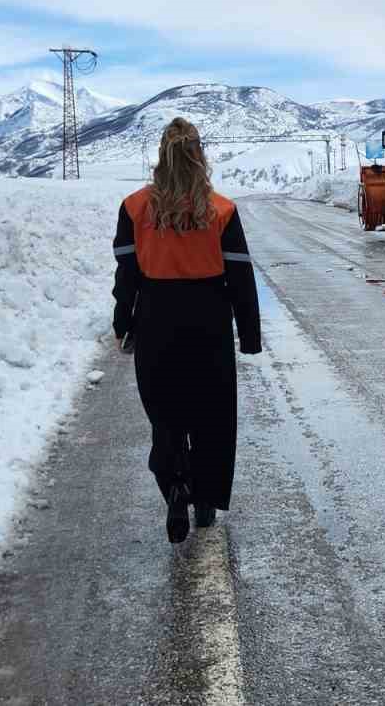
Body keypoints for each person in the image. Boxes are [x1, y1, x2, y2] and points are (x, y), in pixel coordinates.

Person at [111, 118, 261, 543]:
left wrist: (123, 323)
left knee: (166, 414)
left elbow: (127, 276)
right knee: (211, 417)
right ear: (200, 155)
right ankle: (206, 500)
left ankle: (175, 485)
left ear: (162, 154)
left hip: (157, 319)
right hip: (208, 320)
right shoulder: (221, 209)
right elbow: (240, 278)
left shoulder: (134, 207)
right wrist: (248, 334)